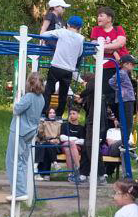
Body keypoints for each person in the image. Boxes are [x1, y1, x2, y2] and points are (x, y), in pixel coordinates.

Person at [6, 72, 46, 202]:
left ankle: (19, 191)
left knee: (13, 160)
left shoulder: (29, 97)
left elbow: (16, 109)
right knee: (22, 161)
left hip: (20, 131)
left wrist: (17, 98)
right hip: (30, 131)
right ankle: (21, 190)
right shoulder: (41, 98)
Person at [40, 14, 84, 116]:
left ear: (68, 24)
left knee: (48, 91)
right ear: (80, 28)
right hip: (68, 70)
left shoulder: (62, 32)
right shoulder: (81, 38)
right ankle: (59, 114)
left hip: (56, 66)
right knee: (63, 94)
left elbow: (45, 34)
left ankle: (43, 112)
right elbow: (80, 53)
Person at [90, 6, 129, 107]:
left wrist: (103, 47)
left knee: (121, 95)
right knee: (105, 94)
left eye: (101, 15)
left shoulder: (118, 29)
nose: (98, 17)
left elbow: (120, 43)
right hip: (104, 67)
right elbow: (95, 46)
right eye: (98, 15)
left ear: (109, 18)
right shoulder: (96, 30)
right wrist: (112, 48)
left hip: (120, 67)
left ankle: (120, 119)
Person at [108, 53, 138, 128]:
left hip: (127, 99)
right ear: (125, 64)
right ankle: (125, 139)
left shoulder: (125, 73)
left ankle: (125, 138)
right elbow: (111, 82)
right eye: (132, 64)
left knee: (128, 122)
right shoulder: (121, 73)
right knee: (128, 122)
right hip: (126, 99)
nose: (134, 66)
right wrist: (120, 90)